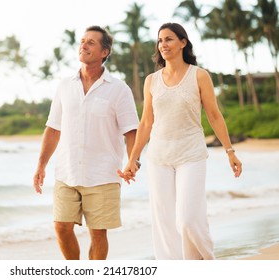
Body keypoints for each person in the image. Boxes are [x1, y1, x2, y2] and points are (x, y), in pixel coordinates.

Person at [117, 22, 242, 260]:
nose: (163, 44)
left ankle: (206, 262)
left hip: (191, 155)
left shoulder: (199, 75)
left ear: (183, 42)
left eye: (169, 39)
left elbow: (214, 115)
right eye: (160, 40)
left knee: (187, 220)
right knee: (164, 223)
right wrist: (132, 159)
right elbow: (145, 123)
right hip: (159, 158)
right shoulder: (151, 81)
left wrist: (230, 151)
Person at [33, 25, 139, 260]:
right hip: (66, 172)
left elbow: (131, 130)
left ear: (104, 52)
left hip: (103, 174)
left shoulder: (119, 89)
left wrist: (133, 160)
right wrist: (41, 165)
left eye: (91, 42)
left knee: (98, 234)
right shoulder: (64, 86)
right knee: (61, 226)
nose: (84, 45)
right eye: (82, 41)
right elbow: (53, 128)